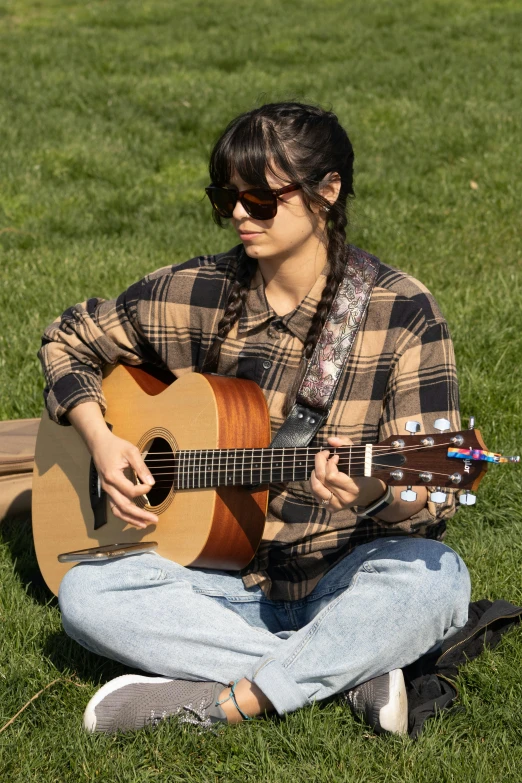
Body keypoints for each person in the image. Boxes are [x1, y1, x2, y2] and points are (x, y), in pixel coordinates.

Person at [39, 101, 470, 736]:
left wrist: (376, 493)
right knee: (85, 596)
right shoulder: (199, 292)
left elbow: (432, 498)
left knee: (437, 584)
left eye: (262, 200)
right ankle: (348, 675)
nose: (240, 214)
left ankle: (213, 702)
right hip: (216, 580)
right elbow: (68, 338)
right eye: (226, 198)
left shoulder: (401, 312)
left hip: (344, 574)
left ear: (328, 192)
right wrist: (102, 440)